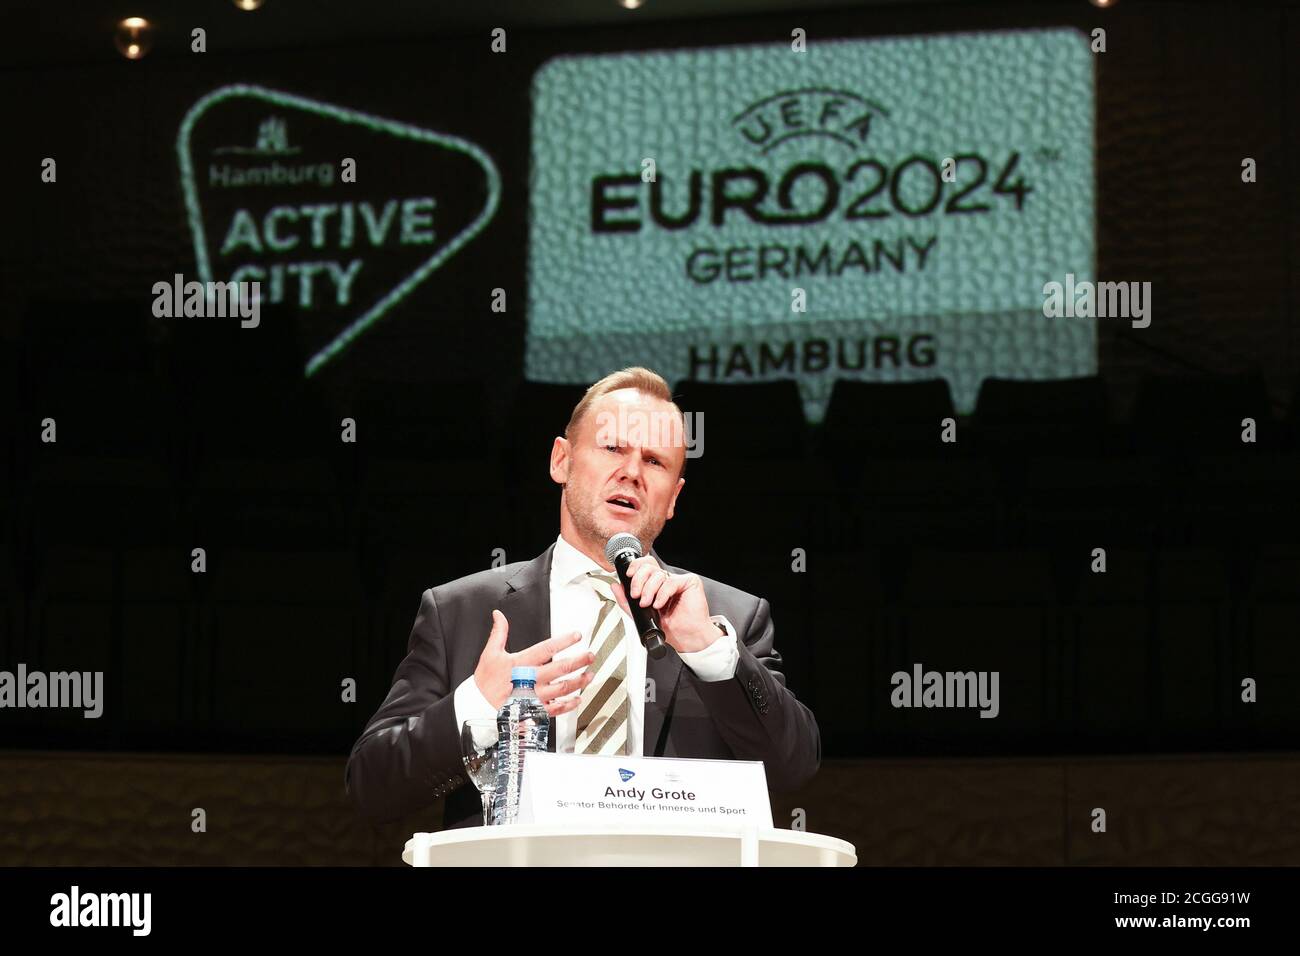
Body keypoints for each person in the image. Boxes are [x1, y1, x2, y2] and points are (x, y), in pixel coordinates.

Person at [345, 367, 820, 826]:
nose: (632, 472)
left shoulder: (728, 618)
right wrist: (479, 703)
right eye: (613, 447)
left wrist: (709, 650)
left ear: (673, 498)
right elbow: (372, 788)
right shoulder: (459, 613)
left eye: (654, 461)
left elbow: (792, 767)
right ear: (562, 460)